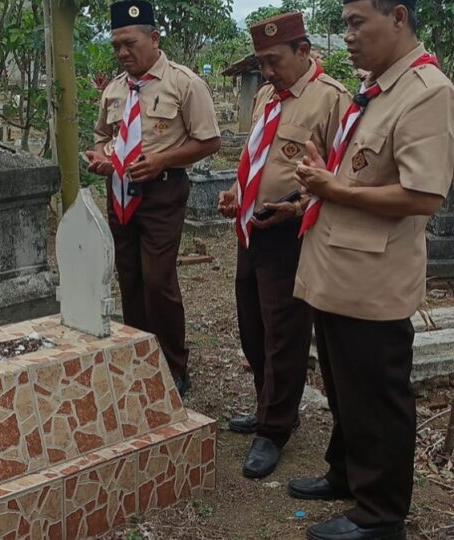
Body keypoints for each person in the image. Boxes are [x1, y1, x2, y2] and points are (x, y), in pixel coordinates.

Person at [290, 0, 454, 538]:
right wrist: (326, 174)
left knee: (377, 396)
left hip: (373, 278)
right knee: (344, 384)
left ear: (399, 17)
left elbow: (423, 195)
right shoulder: (379, 87)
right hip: (337, 265)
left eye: (358, 22)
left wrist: (334, 186)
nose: (349, 35)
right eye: (345, 24)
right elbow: (362, 170)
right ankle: (347, 474)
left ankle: (382, 515)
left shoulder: (428, 92)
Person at [218, 12, 350, 479]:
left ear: (303, 50)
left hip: (292, 235)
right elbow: (256, 154)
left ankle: (274, 429)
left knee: (284, 336)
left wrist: (297, 206)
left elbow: (343, 178)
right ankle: (269, 406)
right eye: (262, 62)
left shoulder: (331, 100)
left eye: (275, 61)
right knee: (253, 328)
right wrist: (237, 191)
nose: (268, 71)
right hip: (252, 230)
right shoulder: (265, 96)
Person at [86, 0, 220, 396]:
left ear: (154, 38)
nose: (123, 53)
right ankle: (140, 358)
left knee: (158, 282)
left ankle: (173, 367)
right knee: (129, 278)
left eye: (130, 43)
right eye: (117, 47)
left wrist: (162, 159)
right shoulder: (114, 89)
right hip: (120, 194)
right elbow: (102, 136)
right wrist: (102, 157)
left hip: (161, 193)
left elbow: (209, 140)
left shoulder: (184, 83)